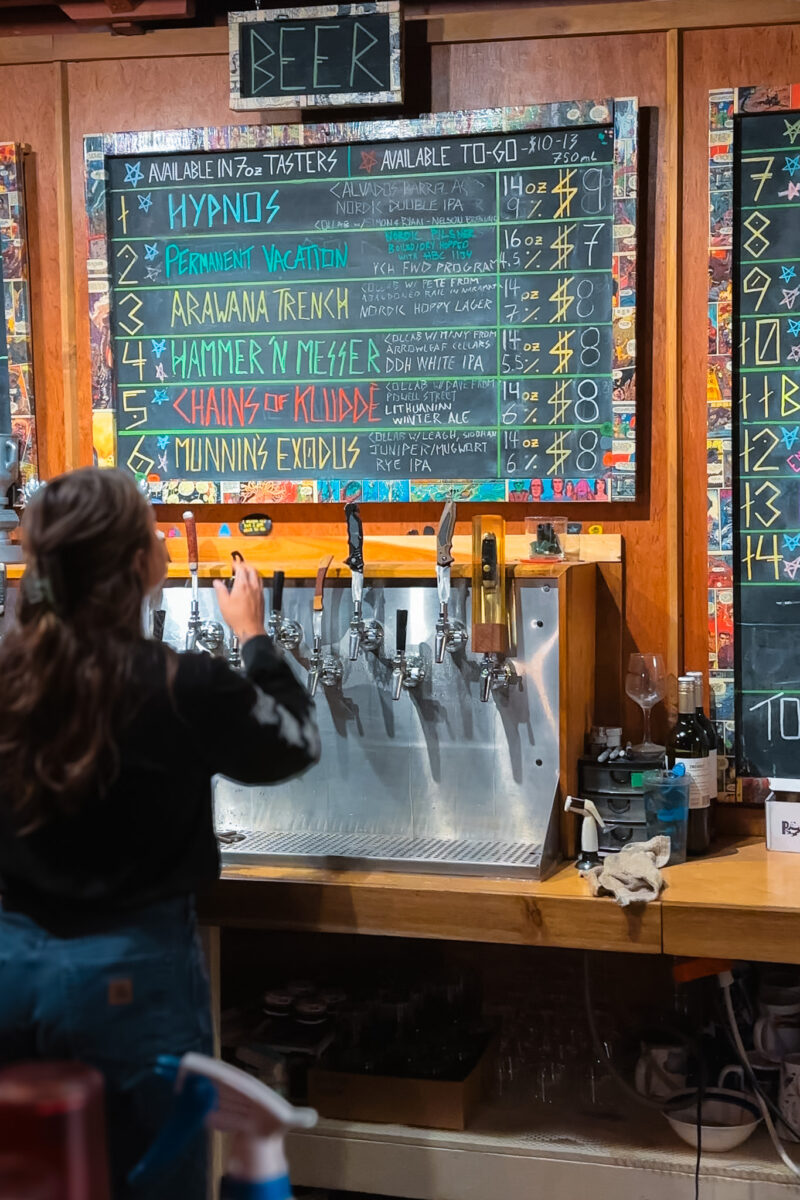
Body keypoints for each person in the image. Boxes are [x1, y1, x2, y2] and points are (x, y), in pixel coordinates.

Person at [0, 467, 320, 1198]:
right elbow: (296, 741)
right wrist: (255, 639)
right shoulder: (181, 683)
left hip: (13, 973)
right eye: (150, 526)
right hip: (129, 984)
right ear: (134, 565)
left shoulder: (9, 678)